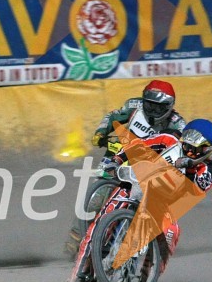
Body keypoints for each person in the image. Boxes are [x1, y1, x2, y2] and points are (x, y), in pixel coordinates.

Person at [64, 119, 212, 282]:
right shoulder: (169, 139)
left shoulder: (209, 169)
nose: (189, 151)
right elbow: (138, 145)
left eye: (195, 150)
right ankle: (77, 275)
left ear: (207, 151)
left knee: (172, 232)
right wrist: (117, 160)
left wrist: (187, 167)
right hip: (135, 184)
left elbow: (197, 187)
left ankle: (148, 280)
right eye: (187, 146)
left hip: (161, 203)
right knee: (101, 220)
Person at [65, 79, 189, 256]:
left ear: (169, 107)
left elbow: (180, 148)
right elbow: (112, 116)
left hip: (148, 165)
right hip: (118, 155)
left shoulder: (178, 124)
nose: (152, 111)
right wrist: (101, 132)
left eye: (158, 108)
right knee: (96, 197)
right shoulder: (133, 106)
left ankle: (130, 240)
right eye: (149, 105)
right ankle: (76, 237)